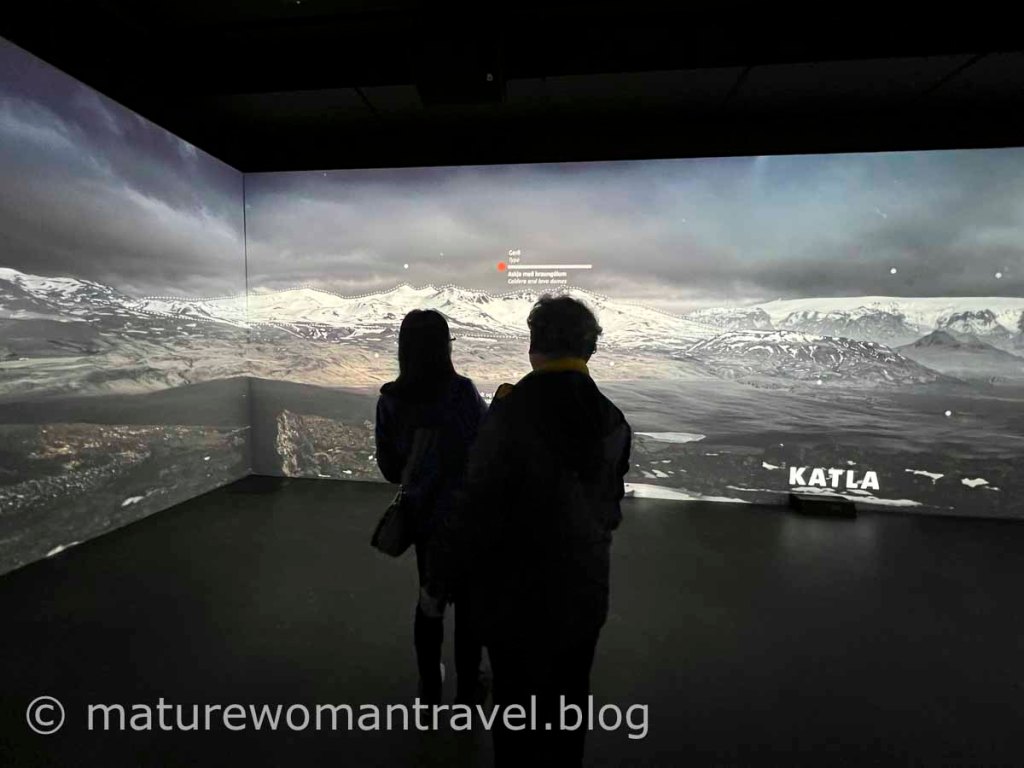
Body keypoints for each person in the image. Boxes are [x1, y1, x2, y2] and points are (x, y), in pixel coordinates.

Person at [426, 294, 632, 766]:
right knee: (569, 707)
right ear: (590, 350)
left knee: (515, 715)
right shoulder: (612, 419)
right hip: (583, 591)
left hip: (512, 597)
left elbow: (474, 504)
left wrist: (438, 582)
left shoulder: (509, 412)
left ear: (533, 347)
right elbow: (609, 509)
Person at [375, 309, 487, 705]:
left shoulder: (390, 401)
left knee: (430, 600)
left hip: (423, 518)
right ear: (445, 347)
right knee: (470, 606)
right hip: (467, 517)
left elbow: (391, 470)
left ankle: (429, 689)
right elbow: (483, 453)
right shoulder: (463, 393)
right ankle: (469, 689)